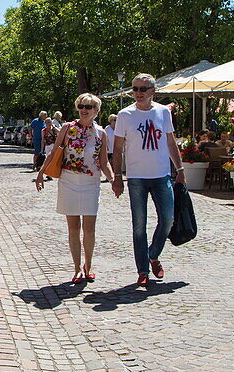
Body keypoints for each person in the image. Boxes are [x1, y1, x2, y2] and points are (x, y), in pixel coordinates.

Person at [111, 75, 185, 288]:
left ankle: (153, 254)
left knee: (168, 219)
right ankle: (143, 269)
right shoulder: (125, 115)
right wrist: (117, 176)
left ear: (153, 91)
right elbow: (117, 148)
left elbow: (170, 142)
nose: (138, 92)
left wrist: (179, 169)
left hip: (161, 175)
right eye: (135, 89)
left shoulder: (163, 112)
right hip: (136, 177)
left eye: (143, 88)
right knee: (139, 225)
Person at [36, 93, 115, 283]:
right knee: (73, 227)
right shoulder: (67, 128)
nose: (84, 110)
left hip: (91, 183)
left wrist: (113, 179)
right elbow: (54, 152)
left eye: (88, 107)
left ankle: (89, 265)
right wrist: (40, 173)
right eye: (81, 106)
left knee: (89, 228)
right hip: (69, 180)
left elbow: (104, 162)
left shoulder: (101, 133)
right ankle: (77, 268)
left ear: (96, 110)